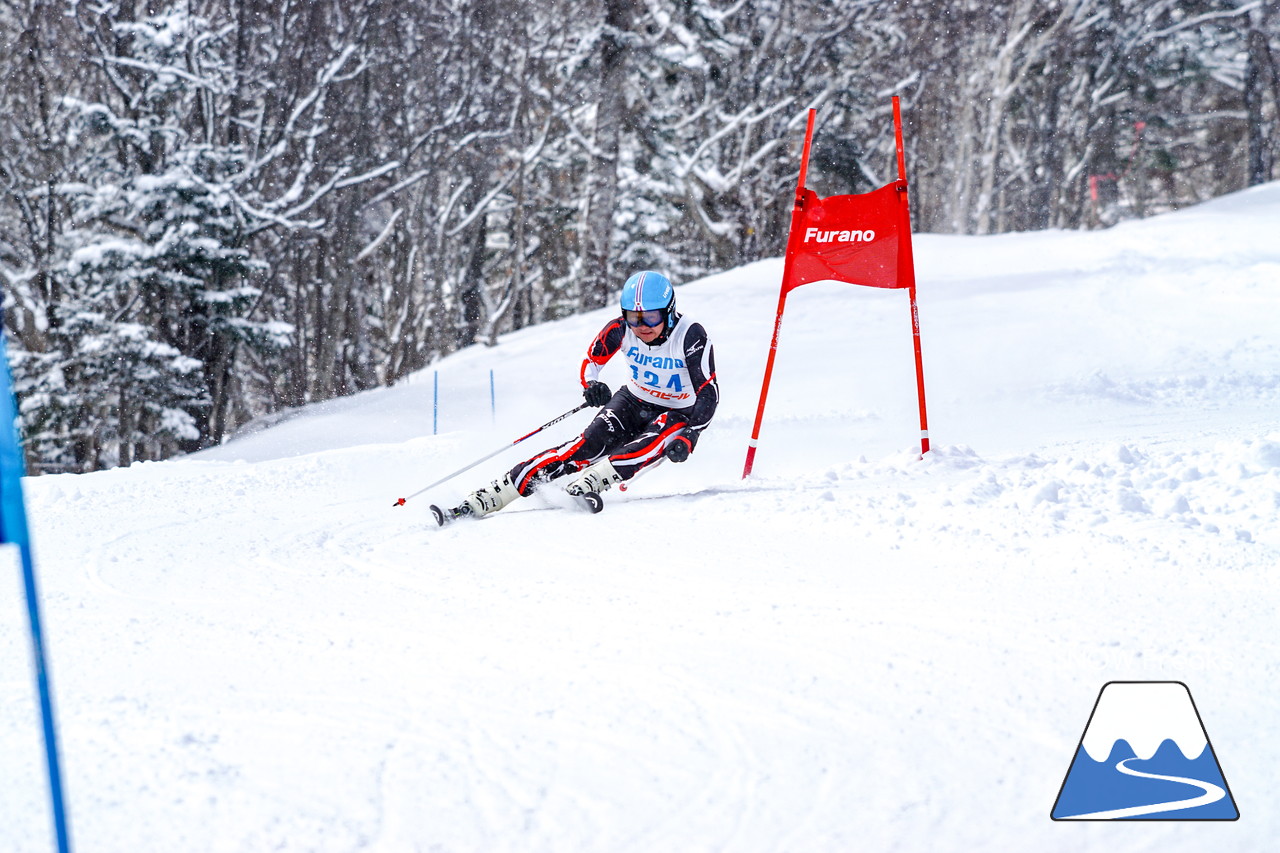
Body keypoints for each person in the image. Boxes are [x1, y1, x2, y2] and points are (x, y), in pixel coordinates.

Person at [449, 270, 718, 519]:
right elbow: (592, 360)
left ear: (669, 312)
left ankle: (592, 481)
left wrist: (691, 434)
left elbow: (708, 392)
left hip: (679, 411)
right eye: (634, 317)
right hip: (633, 401)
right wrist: (592, 385)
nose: (642, 326)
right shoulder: (621, 329)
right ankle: (494, 494)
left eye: (651, 317)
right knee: (582, 447)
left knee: (651, 441)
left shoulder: (690, 335)